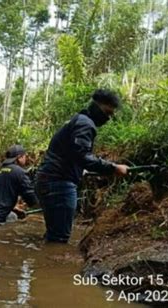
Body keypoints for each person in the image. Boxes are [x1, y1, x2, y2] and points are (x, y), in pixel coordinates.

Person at [35, 89, 129, 243]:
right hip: (59, 184)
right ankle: (52, 265)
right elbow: (82, 156)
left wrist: (80, 170)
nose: (108, 118)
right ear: (96, 106)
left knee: (54, 234)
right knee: (59, 239)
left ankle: (43, 263)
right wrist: (114, 168)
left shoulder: (77, 120)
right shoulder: (86, 124)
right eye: (107, 112)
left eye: (111, 115)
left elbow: (71, 154)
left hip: (49, 181)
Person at [0, 145, 39, 225]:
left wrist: (13, 209)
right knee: (14, 218)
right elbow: (31, 199)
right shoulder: (20, 172)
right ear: (19, 157)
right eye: (25, 156)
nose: (26, 159)